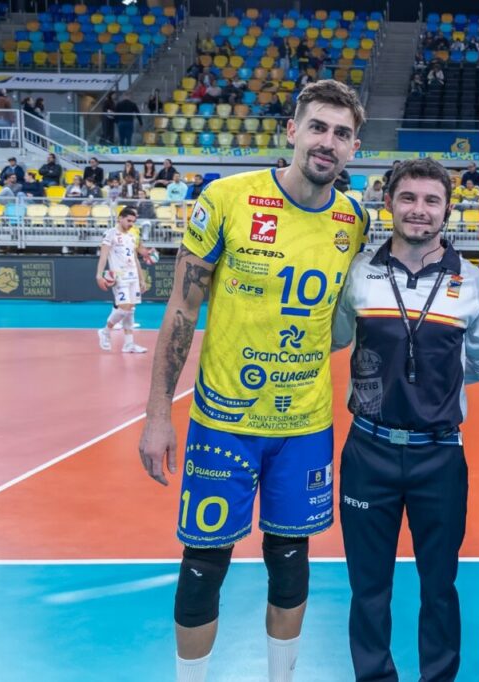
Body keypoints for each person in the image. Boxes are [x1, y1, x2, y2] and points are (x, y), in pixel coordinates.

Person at [137, 79, 370, 682]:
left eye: (342, 134)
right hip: (224, 420)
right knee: (203, 565)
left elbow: (344, 318)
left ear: (354, 147)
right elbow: (182, 309)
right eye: (317, 127)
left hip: (304, 425)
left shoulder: (354, 220)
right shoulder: (227, 199)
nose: (328, 142)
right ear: (292, 131)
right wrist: (158, 414)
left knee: (290, 563)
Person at [330, 158, 479, 682]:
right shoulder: (359, 273)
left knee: (439, 586)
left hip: (439, 455)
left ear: (447, 210)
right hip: (369, 451)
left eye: (432, 200)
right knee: (368, 587)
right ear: (389, 203)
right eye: (408, 198)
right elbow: (331, 337)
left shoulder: (471, 283)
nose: (419, 210)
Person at [95, 206, 149, 353]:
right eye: (129, 221)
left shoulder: (131, 236)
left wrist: (142, 279)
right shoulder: (110, 234)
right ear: (120, 218)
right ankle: (105, 331)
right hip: (120, 277)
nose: (131, 224)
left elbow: (135, 259)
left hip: (133, 277)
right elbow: (103, 256)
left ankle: (129, 344)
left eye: (133, 222)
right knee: (124, 307)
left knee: (130, 310)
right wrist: (99, 275)